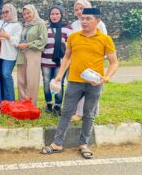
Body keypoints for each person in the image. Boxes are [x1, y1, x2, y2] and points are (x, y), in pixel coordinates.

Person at [40, 8, 118, 159]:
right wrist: (59, 77)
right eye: (82, 18)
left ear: (98, 21)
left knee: (89, 114)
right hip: (74, 81)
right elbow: (67, 58)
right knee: (66, 112)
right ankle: (57, 143)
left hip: (94, 83)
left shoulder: (105, 39)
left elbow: (114, 62)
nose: (84, 21)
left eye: (88, 18)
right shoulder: (74, 37)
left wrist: (106, 77)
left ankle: (84, 144)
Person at [71, 0, 108, 121]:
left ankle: (92, 112)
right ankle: (79, 113)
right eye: (76, 9)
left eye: (81, 8)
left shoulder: (99, 24)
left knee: (93, 85)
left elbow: (104, 42)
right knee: (79, 86)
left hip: (94, 60)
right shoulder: (74, 25)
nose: (79, 12)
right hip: (78, 60)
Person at [41, 5, 73, 116]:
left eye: (57, 14)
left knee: (59, 83)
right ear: (49, 16)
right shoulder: (45, 28)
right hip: (45, 61)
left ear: (61, 14)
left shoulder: (68, 28)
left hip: (61, 62)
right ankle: (49, 104)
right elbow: (42, 43)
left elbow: (71, 45)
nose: (54, 16)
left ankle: (57, 106)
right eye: (52, 14)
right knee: (46, 83)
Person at [16, 5, 48, 106]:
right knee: (21, 80)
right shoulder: (25, 25)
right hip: (22, 53)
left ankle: (31, 105)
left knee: (32, 80)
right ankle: (22, 103)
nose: (26, 15)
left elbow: (43, 40)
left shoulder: (40, 23)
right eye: (24, 14)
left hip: (33, 53)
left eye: (28, 13)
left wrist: (28, 44)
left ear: (34, 12)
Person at [0, 4, 22, 101]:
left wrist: (7, 36)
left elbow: (17, 41)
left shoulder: (17, 25)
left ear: (12, 12)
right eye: (3, 12)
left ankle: (10, 100)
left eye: (7, 12)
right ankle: (2, 99)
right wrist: (2, 35)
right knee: (0, 75)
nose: (4, 14)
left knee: (6, 74)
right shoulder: (0, 22)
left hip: (9, 55)